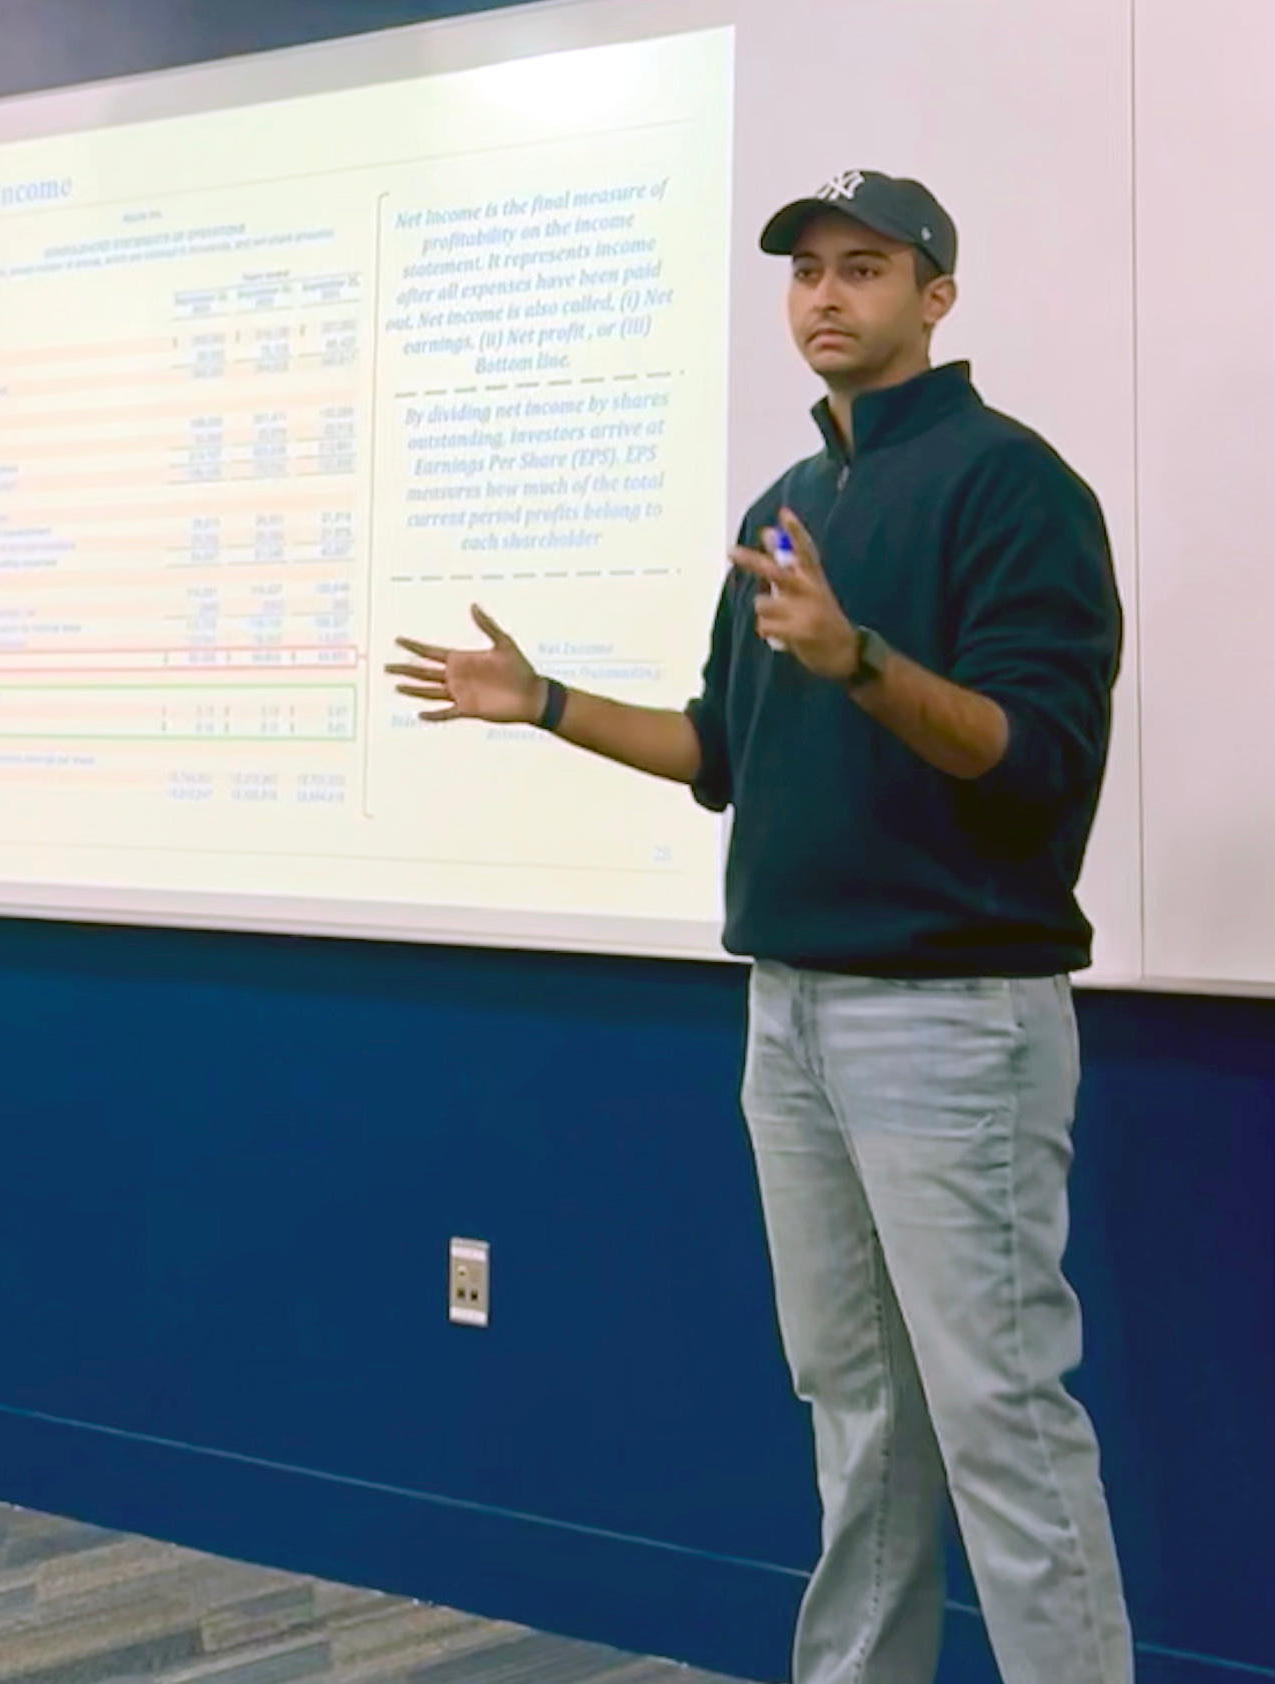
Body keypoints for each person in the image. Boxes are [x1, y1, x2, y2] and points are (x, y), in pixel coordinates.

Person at [388, 172, 1131, 1683]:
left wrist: (857, 656)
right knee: (852, 1404)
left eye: (863, 268)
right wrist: (538, 705)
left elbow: (1031, 751)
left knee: (997, 1413)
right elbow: (717, 752)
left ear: (934, 295)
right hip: (787, 1012)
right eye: (803, 271)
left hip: (949, 1018)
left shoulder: (1013, 487)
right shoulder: (780, 513)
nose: (824, 296)